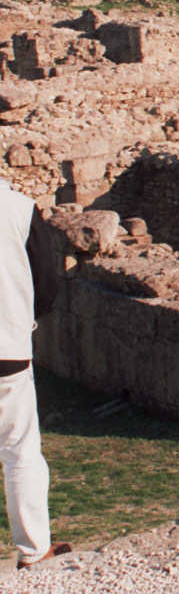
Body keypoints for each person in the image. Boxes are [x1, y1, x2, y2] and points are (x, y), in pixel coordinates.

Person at [0, 176, 67, 569]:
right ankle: (34, 549)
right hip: (7, 345)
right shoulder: (21, 208)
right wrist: (27, 316)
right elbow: (46, 281)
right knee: (21, 450)